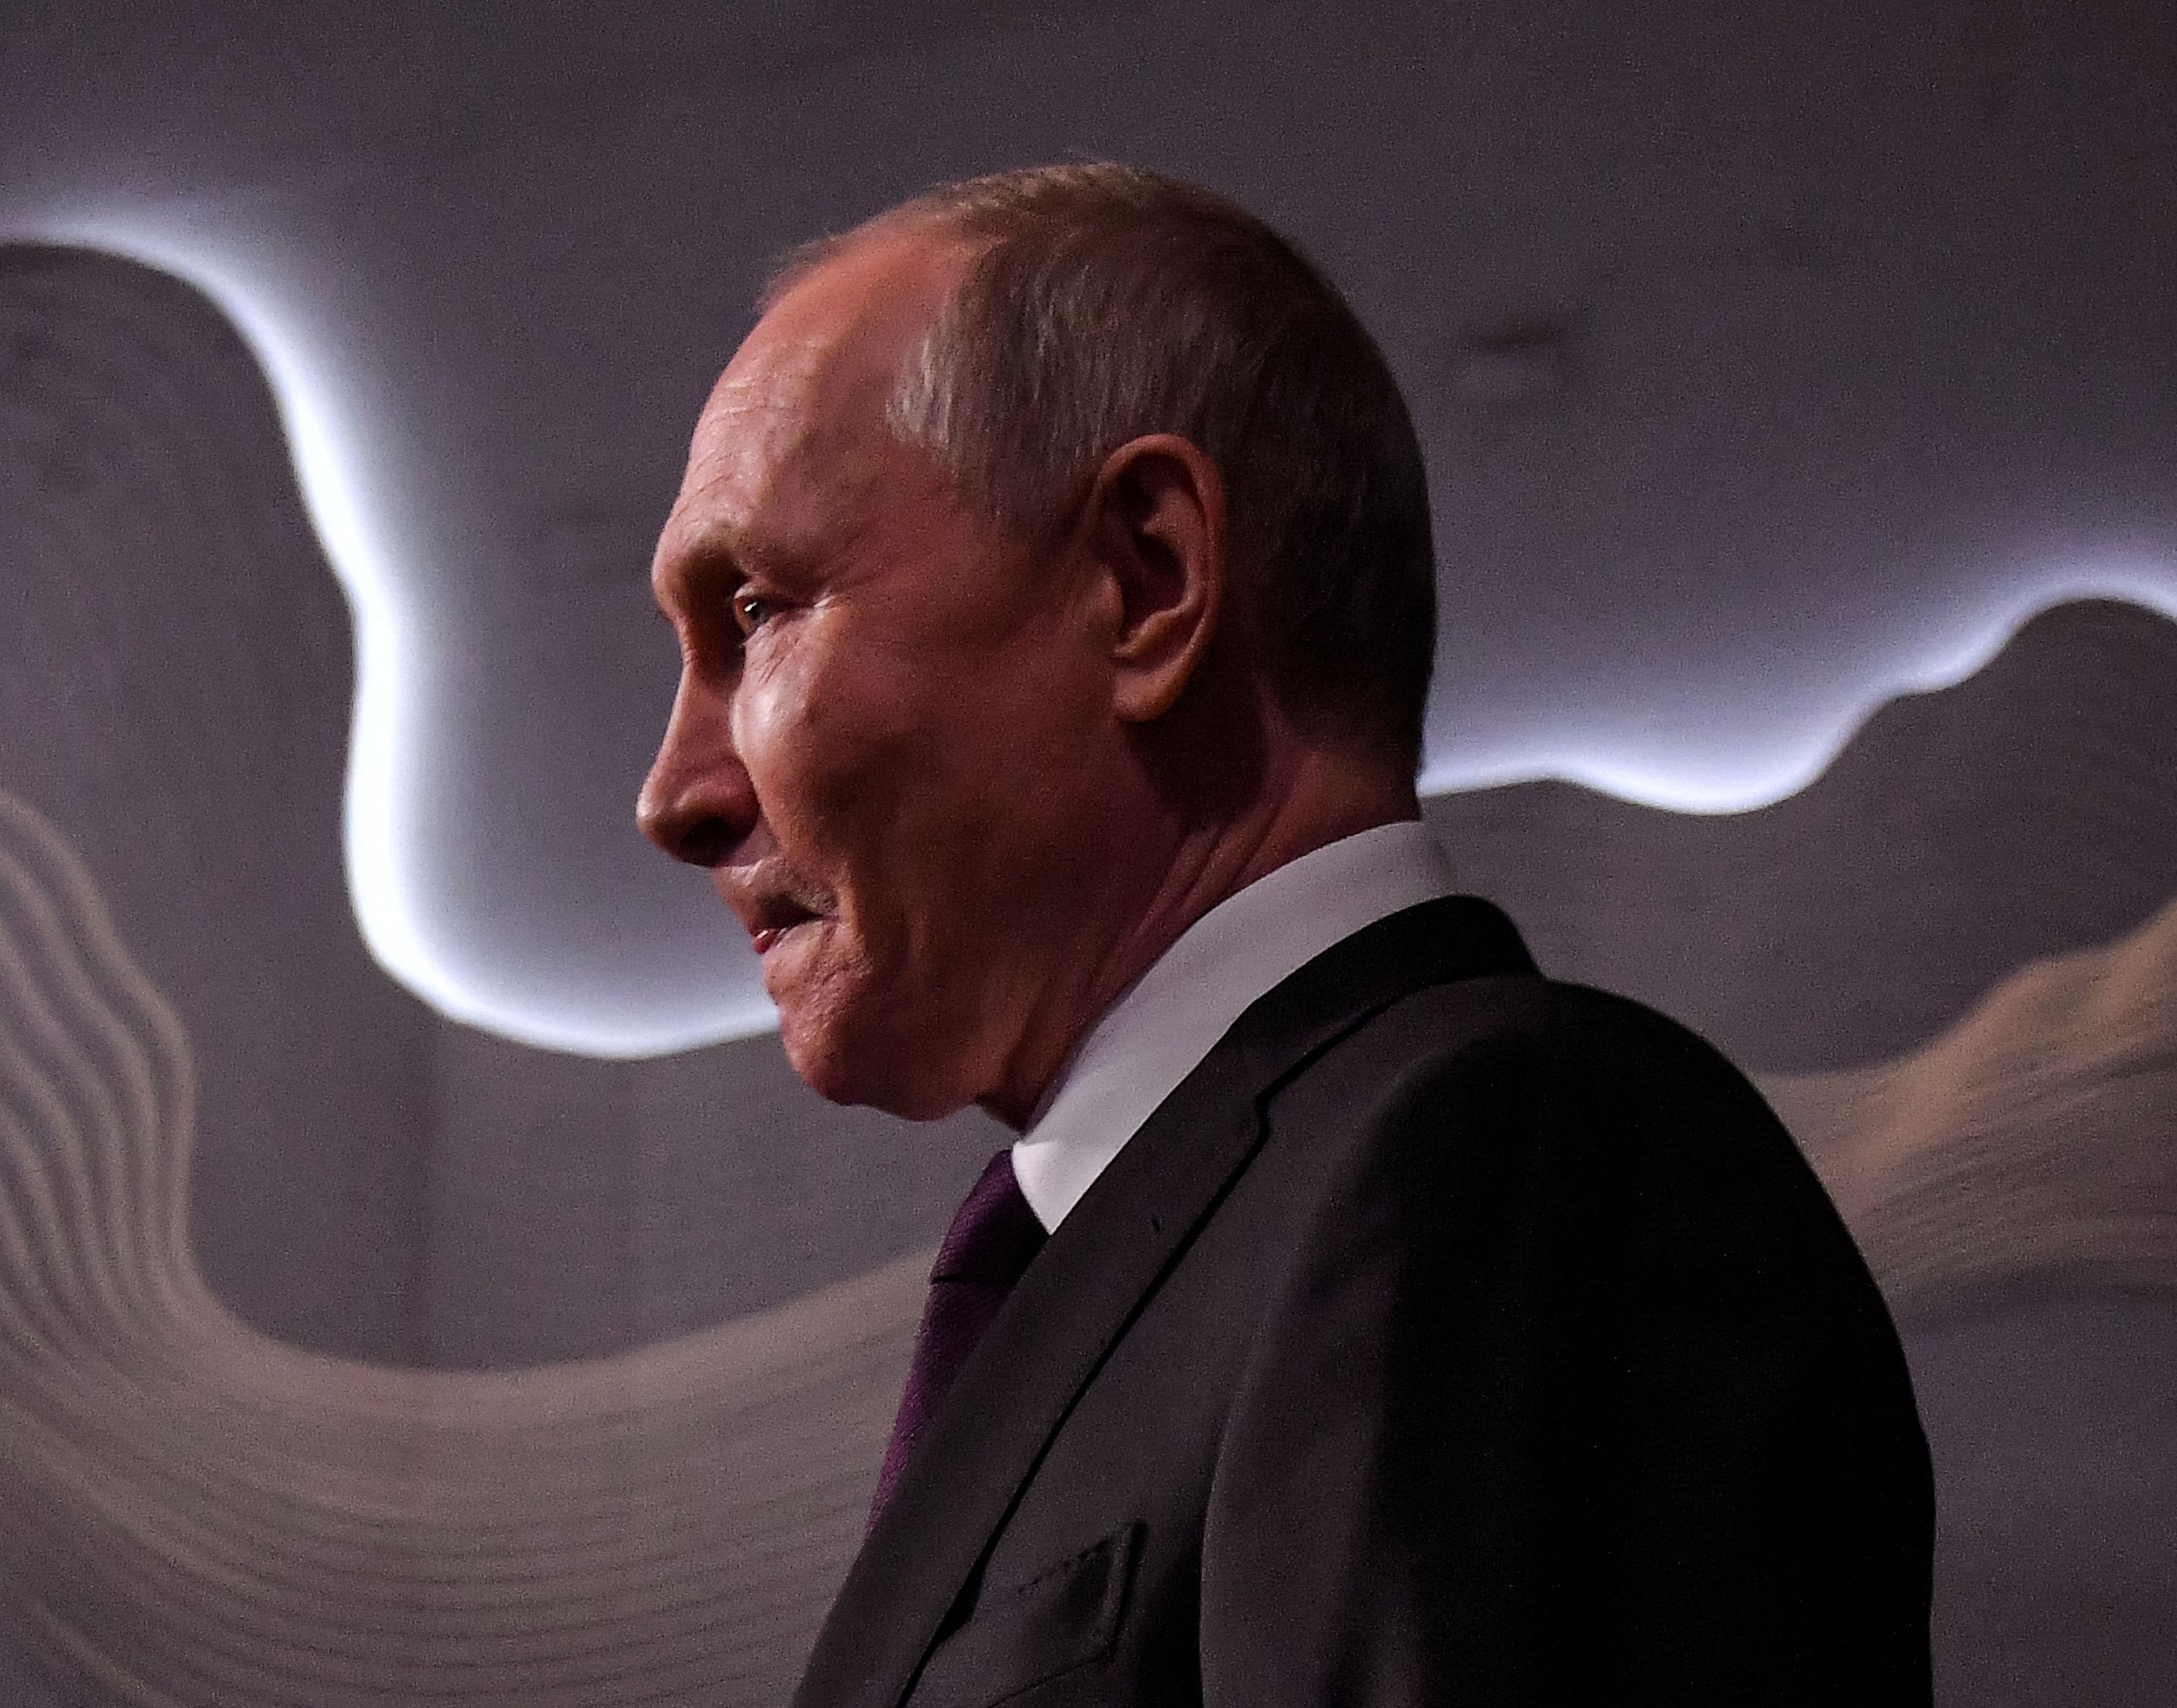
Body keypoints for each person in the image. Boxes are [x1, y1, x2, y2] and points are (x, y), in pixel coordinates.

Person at [636, 164, 1932, 1707]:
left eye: (757, 611)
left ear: (1147, 578)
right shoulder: (1182, 1238)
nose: (675, 795)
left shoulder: (1501, 1158)